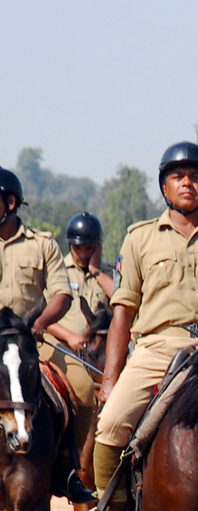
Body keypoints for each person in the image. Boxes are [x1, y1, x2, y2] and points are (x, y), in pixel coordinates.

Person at [68, 142, 198, 511]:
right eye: (179, 176)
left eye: (195, 176)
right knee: (110, 425)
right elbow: (123, 312)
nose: (187, 183)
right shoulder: (139, 238)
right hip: (156, 347)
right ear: (165, 186)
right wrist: (112, 379)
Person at [0, 167, 94, 503]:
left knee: (83, 388)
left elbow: (61, 295)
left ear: (10, 203)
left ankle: (70, 470)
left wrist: (40, 324)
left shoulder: (42, 245)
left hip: (30, 342)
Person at [45, 212, 115, 494]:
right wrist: (70, 337)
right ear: (70, 246)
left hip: (101, 354)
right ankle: (68, 463)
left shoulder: (107, 273)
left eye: (90, 248)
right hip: (63, 348)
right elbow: (46, 314)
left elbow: (123, 300)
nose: (84, 254)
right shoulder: (58, 270)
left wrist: (98, 273)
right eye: (78, 248)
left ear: (98, 246)